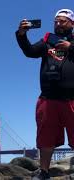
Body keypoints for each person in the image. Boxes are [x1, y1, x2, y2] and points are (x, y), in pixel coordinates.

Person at [16, 9, 74, 180]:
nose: (58, 24)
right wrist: (21, 35)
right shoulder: (47, 41)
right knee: (45, 139)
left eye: (62, 21)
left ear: (72, 23)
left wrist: (71, 47)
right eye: (56, 21)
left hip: (72, 99)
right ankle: (44, 172)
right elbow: (30, 52)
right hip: (48, 99)